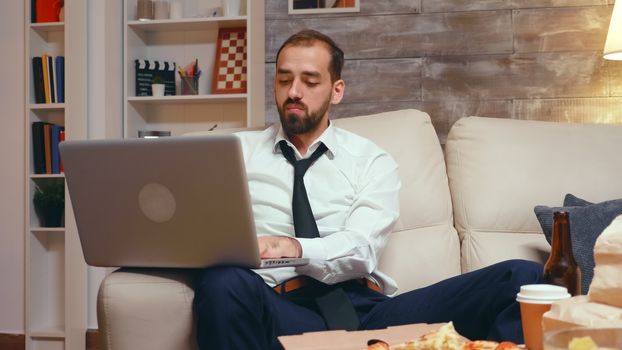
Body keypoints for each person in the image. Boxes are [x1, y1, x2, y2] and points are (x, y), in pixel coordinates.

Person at [194, 29, 543, 350]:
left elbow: (361, 249)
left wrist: (293, 246)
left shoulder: (371, 160)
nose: (294, 92)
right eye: (284, 80)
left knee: (522, 277)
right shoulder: (235, 152)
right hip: (281, 308)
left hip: (370, 312)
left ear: (337, 90)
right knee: (222, 282)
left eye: (309, 81)